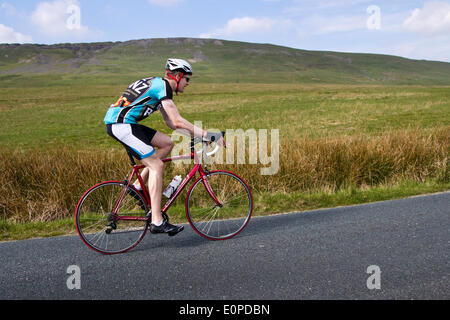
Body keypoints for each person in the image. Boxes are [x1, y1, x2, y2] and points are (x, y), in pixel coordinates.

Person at [104, 58, 225, 236]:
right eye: (187, 79)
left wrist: (196, 135)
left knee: (167, 143)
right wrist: (208, 135)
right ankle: (157, 221)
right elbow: (177, 120)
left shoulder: (158, 85)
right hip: (121, 125)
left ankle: (138, 187)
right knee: (157, 166)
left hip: (125, 123)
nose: (188, 83)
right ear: (177, 76)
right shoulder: (163, 87)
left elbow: (171, 123)